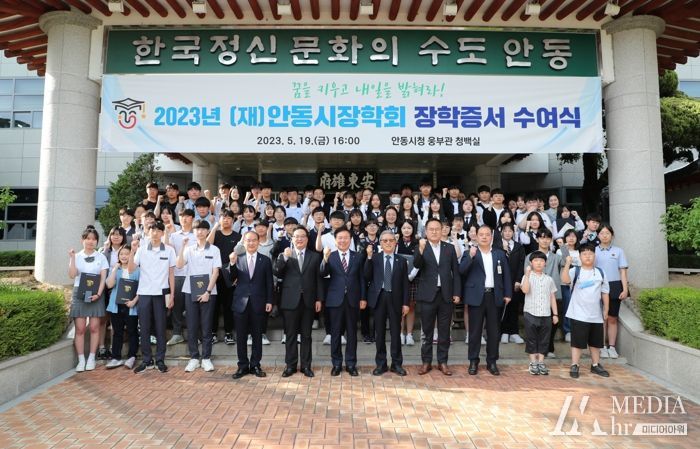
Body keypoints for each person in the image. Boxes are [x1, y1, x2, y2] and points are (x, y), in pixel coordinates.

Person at [460, 224, 512, 376]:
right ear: (476, 236)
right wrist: (471, 256)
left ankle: (492, 361)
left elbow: (506, 275)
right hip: (476, 296)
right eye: (481, 234)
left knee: (494, 331)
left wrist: (508, 294)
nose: (484, 237)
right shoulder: (469, 253)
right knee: (475, 331)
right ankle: (473, 361)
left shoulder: (499, 254)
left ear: (492, 236)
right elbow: (461, 270)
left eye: (487, 234)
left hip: (494, 296)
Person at [413, 218, 461, 376]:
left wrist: (457, 292)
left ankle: (443, 362)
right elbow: (417, 265)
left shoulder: (449, 248)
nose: (434, 232)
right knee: (426, 332)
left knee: (444, 331)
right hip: (427, 295)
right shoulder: (421, 246)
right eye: (431, 229)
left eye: (437, 229)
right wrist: (420, 250)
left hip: (446, 295)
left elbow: (456, 272)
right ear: (426, 231)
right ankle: (426, 362)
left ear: (442, 231)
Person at [273, 226, 323, 378]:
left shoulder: (314, 256)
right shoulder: (285, 254)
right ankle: (290, 366)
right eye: (296, 236)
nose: (299, 239)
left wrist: (319, 299)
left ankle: (306, 366)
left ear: (307, 239)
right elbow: (276, 272)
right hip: (290, 300)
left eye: (302, 236)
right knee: (291, 335)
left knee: (306, 335)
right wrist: (284, 258)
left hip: (308, 301)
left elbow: (319, 279)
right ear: (292, 238)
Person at [128, 221, 176, 374]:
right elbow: (130, 269)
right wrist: (132, 251)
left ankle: (160, 359)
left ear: (162, 233)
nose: (155, 233)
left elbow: (171, 274)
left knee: (161, 327)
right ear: (148, 232)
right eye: (152, 230)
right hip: (144, 293)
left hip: (162, 293)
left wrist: (172, 295)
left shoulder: (169, 250)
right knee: (144, 327)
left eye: (158, 230)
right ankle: (147, 360)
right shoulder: (141, 250)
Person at [225, 231, 274, 379]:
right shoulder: (237, 259)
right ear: (244, 242)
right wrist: (232, 264)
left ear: (258, 242)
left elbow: (269, 283)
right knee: (240, 337)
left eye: (254, 240)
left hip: (259, 303)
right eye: (248, 240)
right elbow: (231, 278)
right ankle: (242, 366)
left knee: (257, 336)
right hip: (241, 303)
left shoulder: (265, 260)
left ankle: (255, 365)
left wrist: (269, 301)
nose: (251, 243)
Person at [177, 220, 222, 373]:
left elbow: (216, 272)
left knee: (207, 326)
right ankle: (194, 358)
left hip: (209, 292)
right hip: (190, 291)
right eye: (197, 229)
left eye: (203, 229)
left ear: (207, 231)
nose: (200, 232)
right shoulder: (189, 249)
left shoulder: (214, 250)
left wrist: (208, 292)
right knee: (192, 326)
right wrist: (182, 246)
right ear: (194, 231)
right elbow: (179, 265)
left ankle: (206, 358)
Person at [363, 231, 410, 376]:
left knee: (396, 332)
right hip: (379, 298)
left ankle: (396, 364)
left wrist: (406, 303)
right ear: (380, 243)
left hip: (395, 298)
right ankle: (381, 364)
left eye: (391, 240)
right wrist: (368, 257)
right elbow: (366, 276)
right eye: (385, 241)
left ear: (395, 242)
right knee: (379, 333)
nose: (388, 243)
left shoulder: (401, 260)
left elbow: (405, 284)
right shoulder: (374, 258)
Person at [321, 228, 366, 376]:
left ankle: (351, 364)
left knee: (352, 333)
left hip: (353, 299)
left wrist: (363, 298)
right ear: (335, 240)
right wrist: (325, 259)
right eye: (340, 238)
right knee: (335, 333)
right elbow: (323, 273)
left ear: (350, 239)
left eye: (346, 237)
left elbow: (362, 279)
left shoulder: (358, 256)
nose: (343, 240)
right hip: (335, 300)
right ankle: (336, 363)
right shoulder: (331, 256)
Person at [561, 244, 610, 379]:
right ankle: (575, 365)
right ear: (580, 256)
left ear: (595, 256)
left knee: (595, 342)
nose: (588, 256)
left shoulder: (600, 272)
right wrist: (567, 264)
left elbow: (605, 292)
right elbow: (565, 280)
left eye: (590, 254)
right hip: (578, 313)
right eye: (584, 254)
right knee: (577, 341)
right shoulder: (575, 271)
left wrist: (606, 309)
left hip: (596, 314)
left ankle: (595, 365)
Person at [68, 226, 109, 372]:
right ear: (82, 240)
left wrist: (98, 293)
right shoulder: (77, 256)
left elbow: (103, 278)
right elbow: (72, 275)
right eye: (88, 238)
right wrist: (72, 258)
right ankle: (81, 360)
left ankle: (91, 357)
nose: (91, 241)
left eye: (93, 239)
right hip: (80, 294)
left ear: (97, 241)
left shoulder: (101, 257)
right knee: (79, 329)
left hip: (96, 294)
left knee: (94, 327)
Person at [520, 251, 559, 375]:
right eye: (536, 260)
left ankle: (541, 362)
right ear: (531, 263)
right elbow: (525, 290)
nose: (539, 263)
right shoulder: (527, 277)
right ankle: (533, 363)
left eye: (541, 261)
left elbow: (552, 297)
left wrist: (555, 314)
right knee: (531, 339)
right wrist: (527, 275)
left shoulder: (549, 279)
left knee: (544, 339)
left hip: (546, 314)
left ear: (545, 263)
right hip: (530, 313)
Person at [595, 225, 629, 359]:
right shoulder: (593, 251)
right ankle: (602, 346)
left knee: (612, 318)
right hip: (598, 286)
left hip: (615, 285)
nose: (604, 235)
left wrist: (625, 289)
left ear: (612, 235)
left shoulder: (619, 251)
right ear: (598, 235)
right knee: (601, 318)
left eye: (607, 233)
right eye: (602, 233)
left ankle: (612, 347)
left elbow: (623, 271)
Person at [104, 245, 140, 370]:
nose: (124, 256)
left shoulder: (137, 270)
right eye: (121, 254)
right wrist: (115, 269)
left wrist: (134, 301)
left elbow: (141, 288)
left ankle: (132, 357)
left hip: (131, 306)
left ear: (132, 255)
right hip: (116, 305)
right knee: (117, 332)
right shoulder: (117, 269)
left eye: (127, 254)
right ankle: (116, 358)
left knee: (132, 331)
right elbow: (109, 285)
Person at [165, 208, 195, 346]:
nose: (184, 219)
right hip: (177, 274)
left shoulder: (197, 234)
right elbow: (167, 249)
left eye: (187, 216)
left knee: (192, 306)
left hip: (193, 274)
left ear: (192, 218)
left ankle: (194, 334)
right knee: (176, 305)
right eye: (182, 216)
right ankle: (177, 334)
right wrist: (166, 232)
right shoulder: (174, 235)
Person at [499, 223, 526, 345]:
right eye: (505, 231)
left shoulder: (519, 247)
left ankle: (514, 333)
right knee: (503, 306)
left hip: (515, 281)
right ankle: (504, 332)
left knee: (514, 306)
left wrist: (519, 280)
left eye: (510, 231)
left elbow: (521, 264)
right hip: (501, 282)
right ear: (501, 232)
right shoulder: (497, 246)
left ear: (513, 233)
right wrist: (503, 250)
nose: (508, 233)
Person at [556, 229, 581, 342]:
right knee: (567, 305)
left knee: (578, 306)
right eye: (569, 236)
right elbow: (562, 263)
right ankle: (568, 330)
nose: (571, 238)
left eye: (573, 236)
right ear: (565, 238)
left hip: (578, 284)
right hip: (564, 283)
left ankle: (577, 329)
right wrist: (564, 249)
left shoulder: (580, 251)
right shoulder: (560, 251)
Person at [396, 220, 419, 346]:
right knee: (399, 306)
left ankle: (409, 334)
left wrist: (411, 275)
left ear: (413, 229)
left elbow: (419, 261)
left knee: (410, 306)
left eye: (409, 228)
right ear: (400, 229)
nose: (406, 230)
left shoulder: (417, 243)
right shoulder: (396, 242)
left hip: (412, 278)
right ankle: (400, 333)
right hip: (398, 279)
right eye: (404, 228)